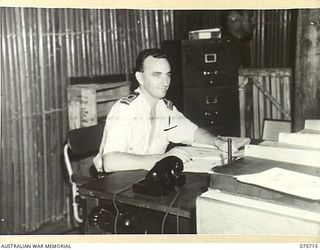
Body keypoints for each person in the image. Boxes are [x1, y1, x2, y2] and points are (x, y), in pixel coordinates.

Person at [94, 48, 240, 173]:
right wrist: (162, 158)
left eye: (168, 75)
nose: (165, 82)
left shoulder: (164, 108)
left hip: (149, 179)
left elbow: (193, 133)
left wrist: (217, 141)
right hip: (118, 185)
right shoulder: (126, 110)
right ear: (140, 78)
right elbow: (110, 162)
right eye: (157, 75)